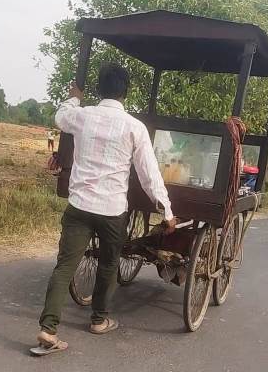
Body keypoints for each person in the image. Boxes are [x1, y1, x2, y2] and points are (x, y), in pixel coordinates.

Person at [33, 63, 176, 356]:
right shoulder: (135, 127)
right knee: (109, 265)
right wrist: (167, 210)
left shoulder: (82, 116)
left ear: (99, 89)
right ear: (126, 91)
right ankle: (98, 320)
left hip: (79, 207)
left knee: (64, 267)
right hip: (112, 211)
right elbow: (149, 175)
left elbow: (61, 116)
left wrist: (74, 97)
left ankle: (48, 329)